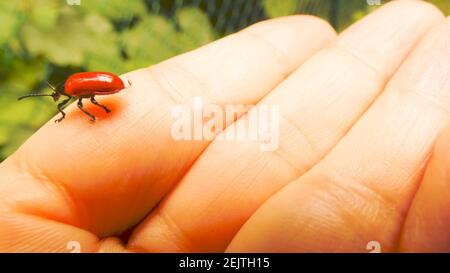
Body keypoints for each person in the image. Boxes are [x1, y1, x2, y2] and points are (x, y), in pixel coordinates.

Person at [0, 0, 449, 252]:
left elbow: (90, 97)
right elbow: (89, 98)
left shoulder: (79, 92)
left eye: (61, 102)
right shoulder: (78, 96)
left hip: (110, 90)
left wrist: (92, 109)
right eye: (62, 103)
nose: (62, 105)